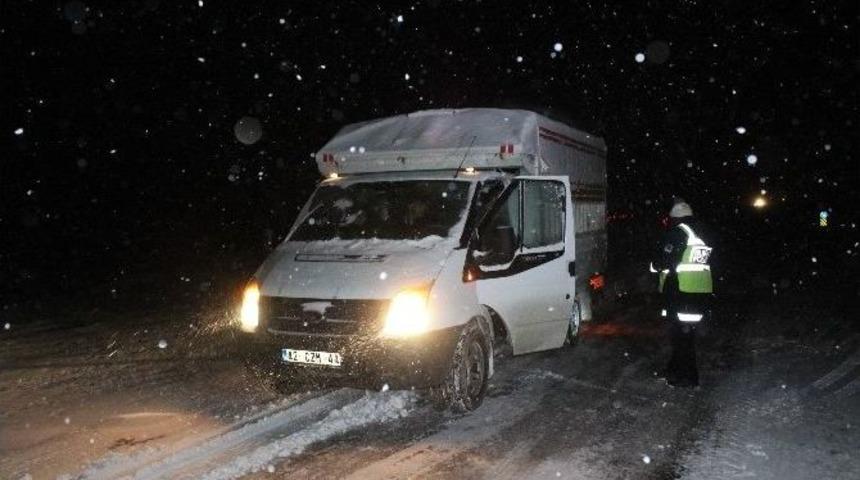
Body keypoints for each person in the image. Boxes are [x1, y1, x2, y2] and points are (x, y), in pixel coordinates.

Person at [651, 200, 713, 387]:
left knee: (681, 337)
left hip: (680, 292)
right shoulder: (700, 233)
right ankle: (675, 371)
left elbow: (664, 261)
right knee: (686, 336)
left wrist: (655, 264)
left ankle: (686, 377)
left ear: (674, 218)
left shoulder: (678, 234)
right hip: (698, 291)